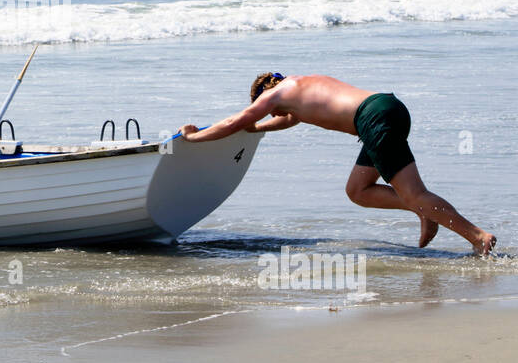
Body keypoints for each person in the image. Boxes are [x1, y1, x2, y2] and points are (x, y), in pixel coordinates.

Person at [179, 73, 496, 255]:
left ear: (264, 93)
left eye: (267, 110)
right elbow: (292, 119)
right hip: (389, 108)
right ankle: (424, 212)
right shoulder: (298, 85)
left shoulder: (272, 95)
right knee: (358, 190)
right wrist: (260, 130)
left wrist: (195, 138)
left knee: (414, 192)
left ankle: (477, 237)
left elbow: (237, 121)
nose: (270, 114)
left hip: (373, 120)